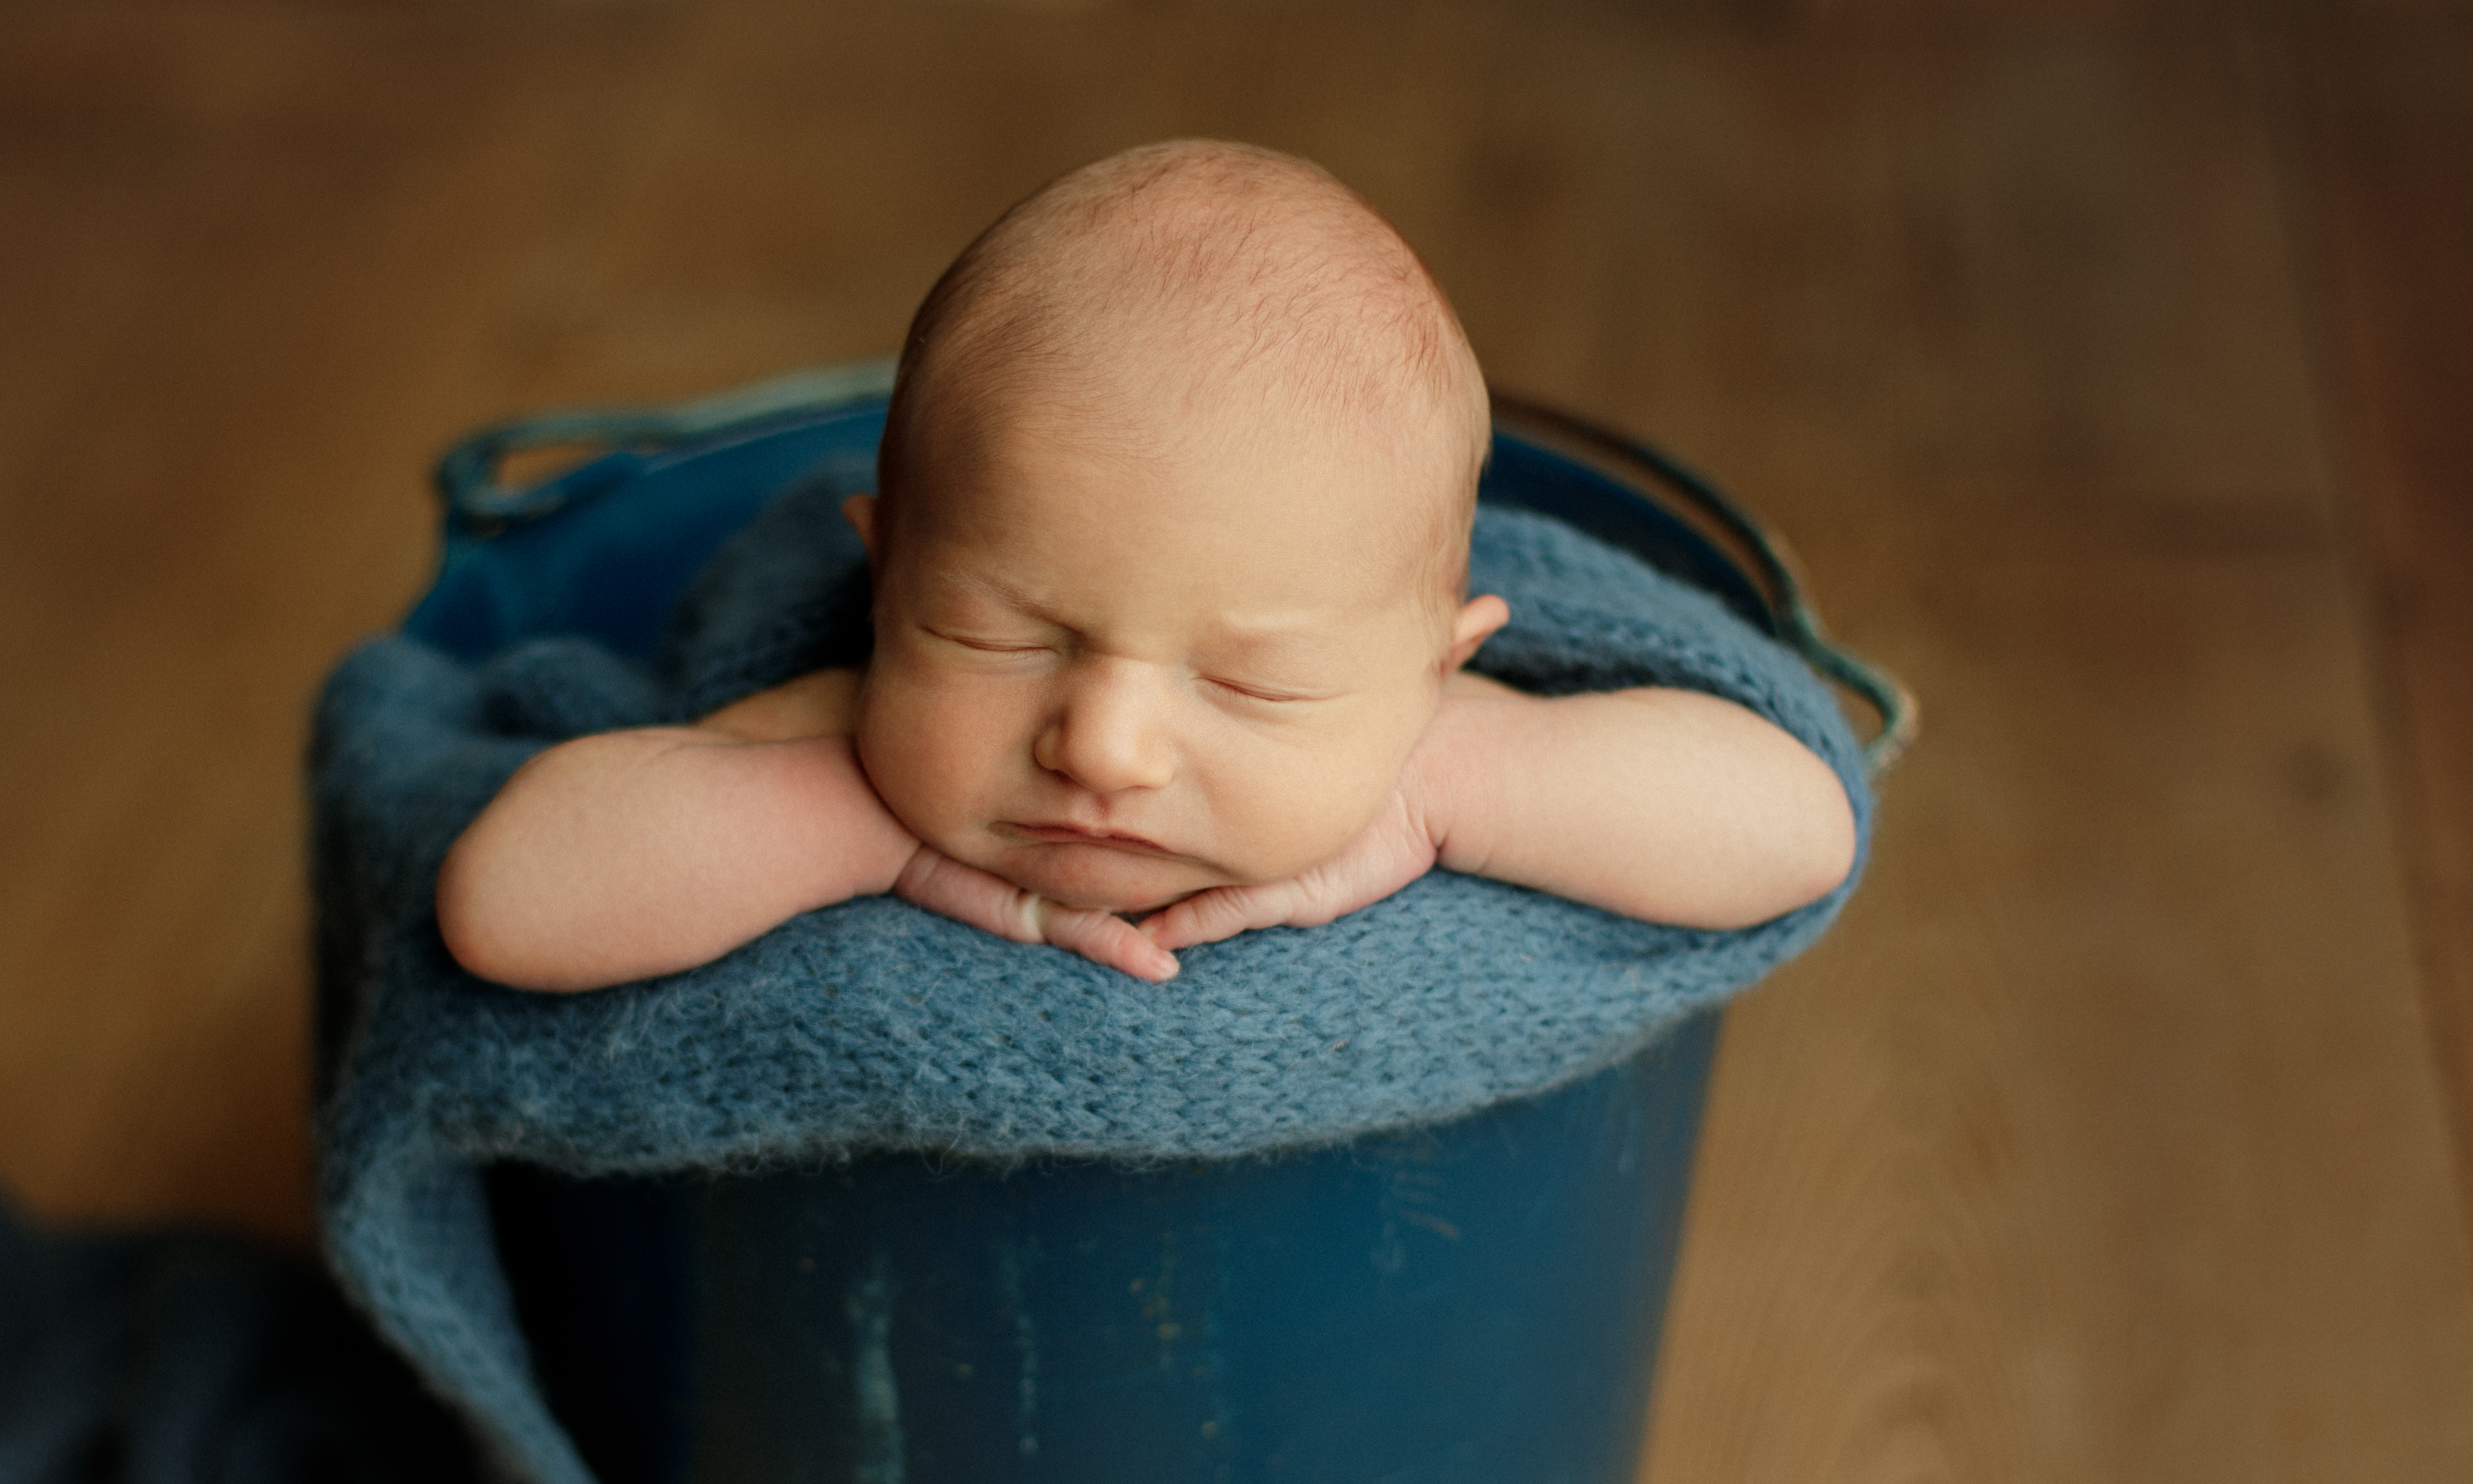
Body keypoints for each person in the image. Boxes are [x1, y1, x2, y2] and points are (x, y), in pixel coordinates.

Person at [438, 140, 1857, 994]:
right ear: (884, 585)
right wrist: (860, 825)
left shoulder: (1441, 742)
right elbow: (503, 904)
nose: (1102, 745)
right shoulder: (831, 732)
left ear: (1436, 661)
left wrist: (1445, 790)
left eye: (1251, 679)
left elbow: (1799, 826)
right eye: (1001, 637)